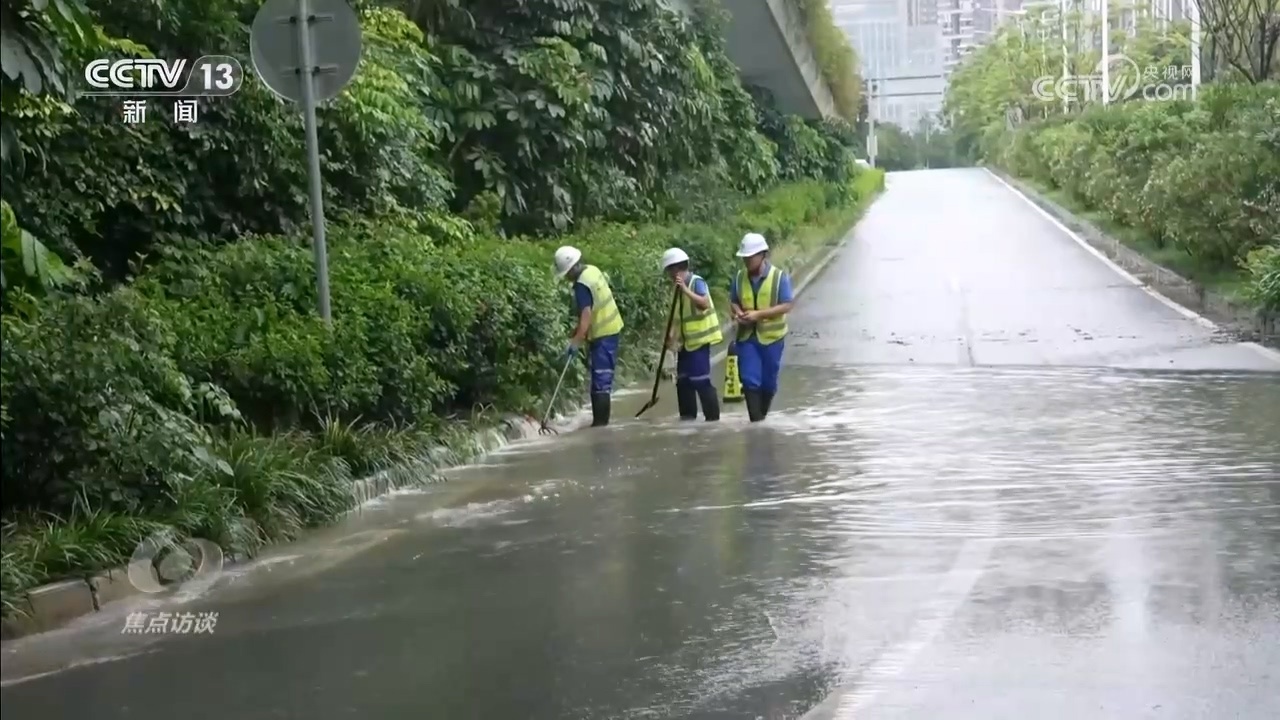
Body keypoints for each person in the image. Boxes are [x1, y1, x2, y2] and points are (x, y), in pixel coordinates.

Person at [554, 245, 624, 427]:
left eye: (567, 273)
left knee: (601, 381)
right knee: (599, 380)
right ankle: (599, 423)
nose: (567, 277)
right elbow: (594, 307)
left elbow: (586, 315)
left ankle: (601, 427)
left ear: (572, 268)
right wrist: (577, 332)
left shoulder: (581, 286)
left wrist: (575, 342)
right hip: (612, 328)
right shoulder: (593, 270)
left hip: (603, 335)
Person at [729, 233, 793, 422]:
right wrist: (737, 312)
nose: (747, 261)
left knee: (768, 384)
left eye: (751, 257)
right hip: (747, 338)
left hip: (772, 339)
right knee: (749, 379)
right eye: (745, 258)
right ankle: (755, 422)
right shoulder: (739, 278)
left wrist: (758, 315)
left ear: (762, 255)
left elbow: (787, 304)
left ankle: (761, 417)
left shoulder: (779, 277)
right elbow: (733, 301)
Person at [661, 247, 722, 422]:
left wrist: (686, 290)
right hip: (686, 343)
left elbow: (704, 303)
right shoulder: (676, 289)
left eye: (670, 271)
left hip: (700, 341)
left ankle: (712, 419)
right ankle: (687, 419)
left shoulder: (696, 282)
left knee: (700, 380)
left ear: (676, 269)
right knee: (683, 381)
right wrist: (670, 336)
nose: (669, 275)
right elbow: (677, 317)